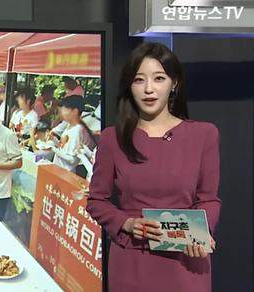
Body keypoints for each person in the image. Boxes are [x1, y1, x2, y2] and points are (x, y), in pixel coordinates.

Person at [86, 42, 220, 292]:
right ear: (129, 86)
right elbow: (96, 201)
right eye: (139, 80)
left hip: (186, 262)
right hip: (132, 263)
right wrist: (126, 223)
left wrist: (202, 232)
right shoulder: (112, 138)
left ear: (174, 83)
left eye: (159, 78)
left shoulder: (204, 134)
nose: (149, 89)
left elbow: (209, 200)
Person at [49, 95, 95, 173]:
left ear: (75, 112)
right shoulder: (69, 126)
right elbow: (63, 147)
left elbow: (72, 160)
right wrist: (53, 139)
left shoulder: (77, 130)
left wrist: (53, 149)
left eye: (65, 110)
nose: (62, 113)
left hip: (66, 172)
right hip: (59, 169)